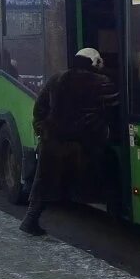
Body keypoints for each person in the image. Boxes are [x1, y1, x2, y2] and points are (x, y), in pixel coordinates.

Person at [19, 48, 119, 236]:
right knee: (110, 172)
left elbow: (39, 108)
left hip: (53, 143)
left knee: (44, 182)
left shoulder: (56, 79)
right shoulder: (102, 82)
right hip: (85, 144)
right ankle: (116, 219)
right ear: (95, 63)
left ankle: (30, 220)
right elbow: (114, 109)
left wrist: (44, 131)